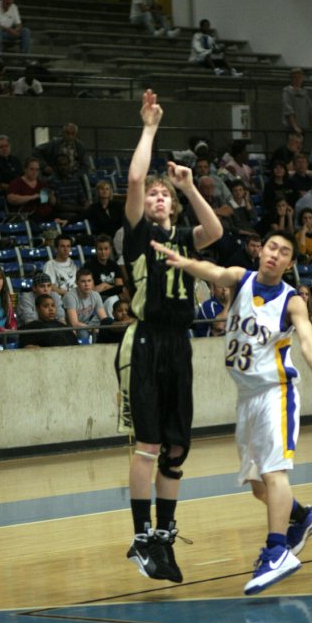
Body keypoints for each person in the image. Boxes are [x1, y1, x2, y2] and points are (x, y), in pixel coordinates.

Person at [151, 229, 312, 595]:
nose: (275, 254)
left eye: (284, 252)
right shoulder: (242, 278)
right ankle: (301, 517)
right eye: (271, 246)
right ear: (261, 250)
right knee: (257, 486)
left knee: (274, 472)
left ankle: (278, 549)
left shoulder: (291, 300)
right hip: (247, 397)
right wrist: (181, 261)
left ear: (290, 263)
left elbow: (308, 340)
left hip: (275, 393)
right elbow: (211, 271)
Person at [116, 89, 223, 584]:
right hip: (145, 342)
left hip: (179, 344)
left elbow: (215, 230)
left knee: (177, 449)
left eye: (165, 195)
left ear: (174, 206)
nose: (158, 197)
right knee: (149, 444)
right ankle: (141, 538)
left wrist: (189, 185)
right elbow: (136, 176)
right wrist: (150, 127)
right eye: (155, 194)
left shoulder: (185, 237)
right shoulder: (141, 234)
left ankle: (164, 536)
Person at [63, 267, 107, 342]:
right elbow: (74, 323)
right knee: (83, 332)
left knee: (107, 326)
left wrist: (102, 328)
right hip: (70, 328)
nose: (87, 284)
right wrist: (93, 329)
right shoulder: (70, 296)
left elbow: (104, 319)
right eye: (83, 281)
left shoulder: (95, 295)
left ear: (93, 282)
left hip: (87, 323)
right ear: (76, 283)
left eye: (89, 281)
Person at [7, 156, 58, 221]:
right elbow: (11, 199)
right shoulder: (16, 183)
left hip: (45, 214)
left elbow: (52, 203)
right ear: (25, 169)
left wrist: (51, 196)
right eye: (31, 169)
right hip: (27, 215)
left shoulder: (42, 184)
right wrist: (32, 197)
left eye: (37, 170)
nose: (34, 172)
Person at [281, 68, 312, 136]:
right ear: (291, 79)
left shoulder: (304, 92)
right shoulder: (287, 91)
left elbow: (311, 109)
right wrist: (295, 126)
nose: (297, 79)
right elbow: (288, 109)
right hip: (291, 127)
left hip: (303, 125)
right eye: (295, 77)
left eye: (299, 77)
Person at [87, 234, 125, 300]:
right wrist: (111, 287)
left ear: (110, 249)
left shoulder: (114, 265)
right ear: (96, 249)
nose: (103, 252)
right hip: (97, 298)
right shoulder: (89, 266)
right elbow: (90, 290)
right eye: (100, 249)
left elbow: (119, 286)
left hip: (115, 296)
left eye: (106, 249)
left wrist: (105, 286)